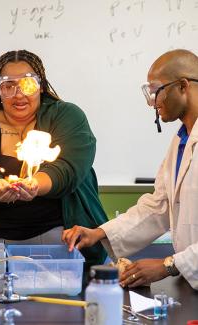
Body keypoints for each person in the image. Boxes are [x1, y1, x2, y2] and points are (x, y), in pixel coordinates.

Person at [0, 49, 108, 270]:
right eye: (8, 86)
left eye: (27, 85)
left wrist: (35, 184)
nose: (18, 94)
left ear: (41, 86)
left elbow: (69, 169)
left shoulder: (67, 116)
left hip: (63, 243)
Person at [62, 49, 198, 290]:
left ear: (183, 86)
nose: (153, 102)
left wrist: (168, 265)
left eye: (157, 91)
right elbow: (159, 205)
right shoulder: (181, 142)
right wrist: (99, 233)